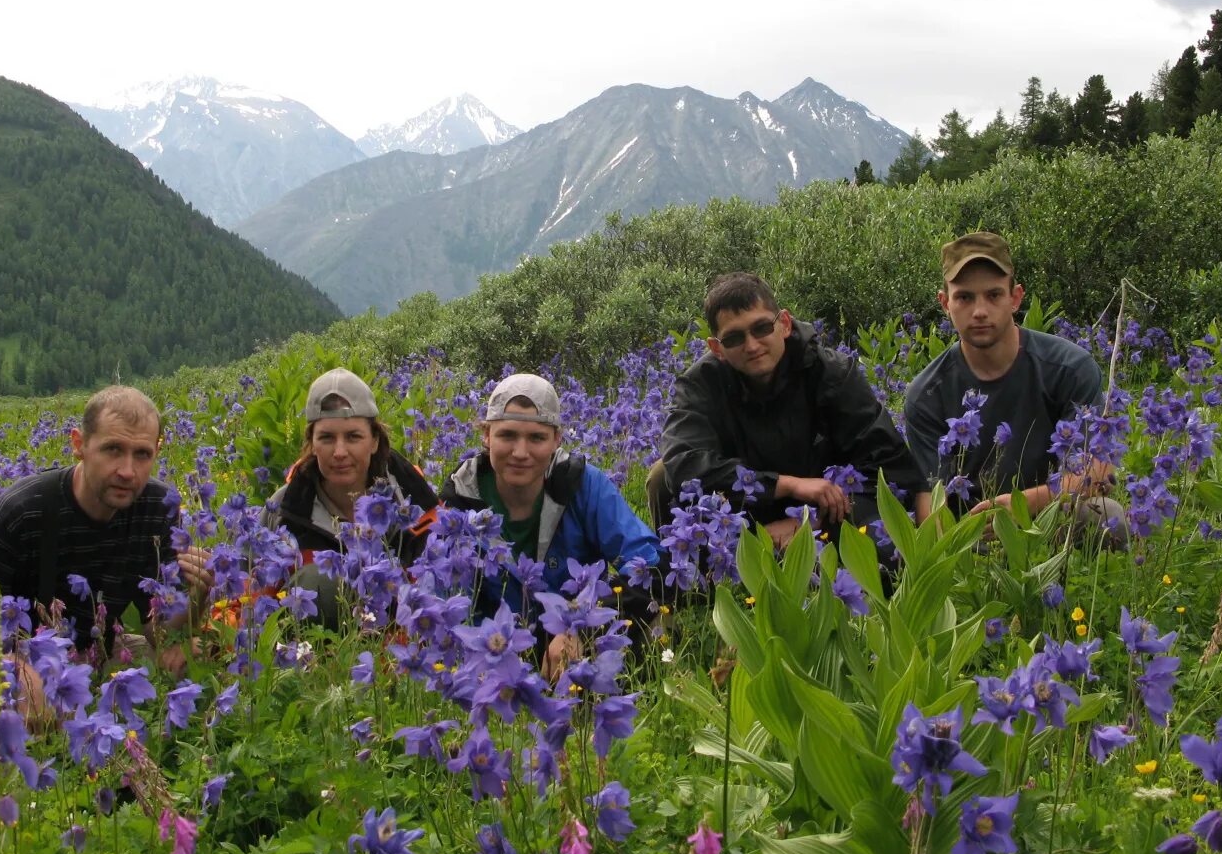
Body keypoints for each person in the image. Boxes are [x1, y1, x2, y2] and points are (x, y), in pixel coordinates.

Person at [0, 386, 212, 716]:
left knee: (198, 655)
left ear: (157, 451)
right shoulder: (21, 512)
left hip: (98, 653)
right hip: (23, 659)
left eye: (142, 454)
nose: (127, 471)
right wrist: (14, 672)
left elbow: (157, 633)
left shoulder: (158, 507)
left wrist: (197, 594)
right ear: (78, 445)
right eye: (113, 449)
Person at [653, 272, 924, 548]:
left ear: (783, 323)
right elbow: (684, 463)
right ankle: (680, 580)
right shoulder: (700, 384)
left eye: (761, 328)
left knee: (875, 532)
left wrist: (809, 521)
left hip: (827, 508)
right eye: (734, 338)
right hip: (745, 514)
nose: (752, 345)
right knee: (661, 478)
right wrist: (787, 484)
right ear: (717, 348)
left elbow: (887, 461)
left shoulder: (831, 372)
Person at [902, 232, 1123, 539]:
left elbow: (1101, 473)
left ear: (1015, 298)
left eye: (993, 295)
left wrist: (1022, 505)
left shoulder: (1069, 369)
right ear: (945, 303)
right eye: (964, 297)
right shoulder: (926, 393)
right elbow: (931, 510)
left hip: (1049, 522)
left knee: (1108, 516)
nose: (979, 311)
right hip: (973, 539)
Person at [440, 374, 662, 678]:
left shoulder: (583, 485)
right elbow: (447, 603)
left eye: (536, 438)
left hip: (575, 648)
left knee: (653, 628)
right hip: (492, 655)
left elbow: (648, 565)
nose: (520, 452)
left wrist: (581, 628)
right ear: (486, 436)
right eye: (507, 435)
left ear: (557, 439)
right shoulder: (459, 502)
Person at [271, 368, 438, 620]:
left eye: (353, 437)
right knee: (317, 581)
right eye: (326, 437)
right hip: (317, 653)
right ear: (312, 444)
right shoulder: (286, 507)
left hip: (406, 647)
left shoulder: (413, 499)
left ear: (374, 441)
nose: (339, 452)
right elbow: (252, 598)